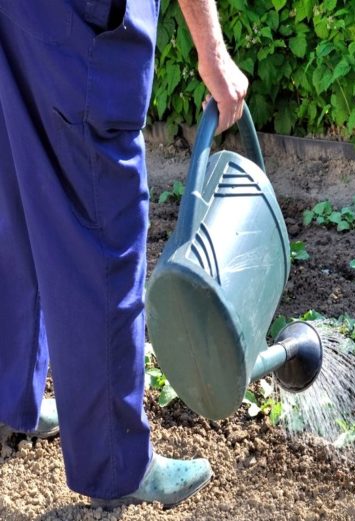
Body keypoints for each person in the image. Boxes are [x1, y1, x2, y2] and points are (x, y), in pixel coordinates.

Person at [0, 0, 247, 508]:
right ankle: (116, 463)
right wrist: (212, 50)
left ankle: (8, 397)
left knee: (18, 192)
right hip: (79, 29)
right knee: (101, 233)